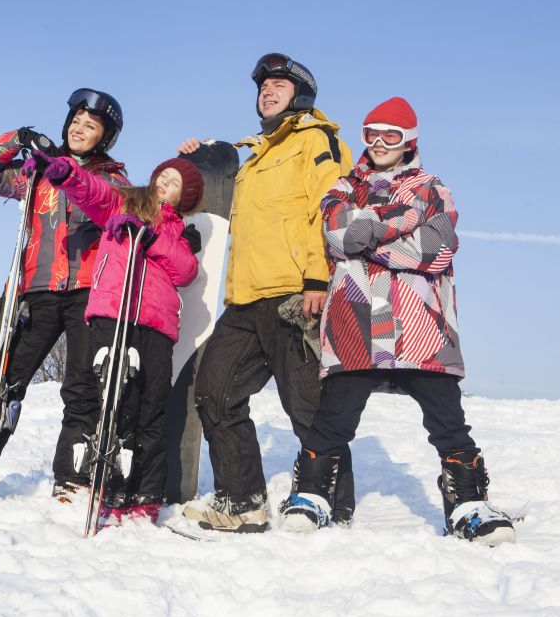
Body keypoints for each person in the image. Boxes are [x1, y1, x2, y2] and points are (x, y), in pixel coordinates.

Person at [277, 97, 516, 545]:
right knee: (334, 415)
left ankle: (468, 503)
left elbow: (436, 249)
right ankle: (311, 494)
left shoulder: (433, 187)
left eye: (392, 134)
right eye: (372, 133)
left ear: (409, 140)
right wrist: (402, 224)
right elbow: (337, 233)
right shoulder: (342, 188)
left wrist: (366, 243)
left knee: (446, 418)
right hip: (356, 320)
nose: (381, 142)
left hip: (419, 326)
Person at [0, 88, 130, 502]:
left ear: (105, 136)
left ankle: (73, 478)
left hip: (90, 292)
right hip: (36, 290)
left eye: (91, 125)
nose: (79, 129)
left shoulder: (112, 179)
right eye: (75, 122)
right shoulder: (37, 174)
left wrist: (69, 172)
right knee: (2, 382)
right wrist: (20, 138)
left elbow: (113, 209)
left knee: (82, 387)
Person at [177, 53, 355, 533]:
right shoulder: (254, 158)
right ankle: (242, 500)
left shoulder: (317, 141)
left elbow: (333, 210)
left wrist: (319, 280)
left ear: (300, 95)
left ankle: (333, 506)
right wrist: (194, 160)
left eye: (279, 85)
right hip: (245, 298)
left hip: (296, 295)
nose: (268, 92)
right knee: (214, 390)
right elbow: (207, 200)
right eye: (263, 87)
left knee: (307, 407)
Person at [26, 149, 202, 523]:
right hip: (111, 312)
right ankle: (109, 486)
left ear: (181, 198)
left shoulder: (178, 232)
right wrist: (64, 173)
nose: (163, 184)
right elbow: (92, 191)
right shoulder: (124, 203)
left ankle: (146, 493)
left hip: (155, 325)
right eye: (162, 176)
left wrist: (151, 238)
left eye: (174, 184)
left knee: (151, 408)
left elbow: (185, 270)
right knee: (113, 402)